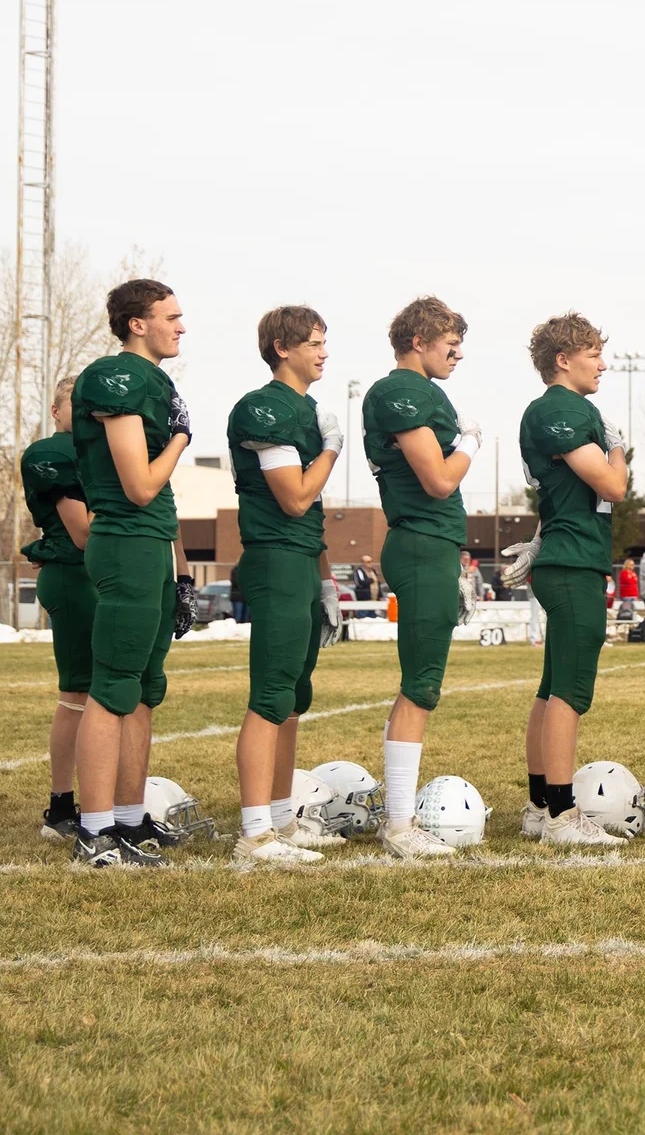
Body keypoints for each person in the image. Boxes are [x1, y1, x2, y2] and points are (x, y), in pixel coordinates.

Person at [68, 279, 195, 868]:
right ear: (136, 323)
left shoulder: (155, 380)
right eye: (170, 316)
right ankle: (92, 831)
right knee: (113, 685)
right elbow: (142, 484)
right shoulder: (114, 376)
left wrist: (183, 571)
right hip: (125, 539)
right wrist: (181, 438)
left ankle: (127, 819)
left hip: (151, 545)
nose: (181, 326)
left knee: (143, 689)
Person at [224, 306, 348, 868]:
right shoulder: (264, 407)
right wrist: (330, 450)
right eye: (314, 343)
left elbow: (311, 515)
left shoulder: (305, 407)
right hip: (273, 559)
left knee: (295, 697)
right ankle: (254, 835)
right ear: (282, 347)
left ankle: (279, 820)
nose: (323, 352)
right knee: (271, 695)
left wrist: (326, 581)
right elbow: (295, 497)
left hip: (300, 559)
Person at [361, 296, 481, 860]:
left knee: (420, 683)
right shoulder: (403, 391)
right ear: (418, 341)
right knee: (421, 685)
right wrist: (471, 445)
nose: (457, 354)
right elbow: (436, 479)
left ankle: (398, 815)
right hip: (419, 540)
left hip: (428, 543)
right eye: (448, 343)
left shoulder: (419, 392)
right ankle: (401, 824)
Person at [513, 313, 629, 849]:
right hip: (573, 559)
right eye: (592, 353)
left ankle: (540, 806)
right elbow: (612, 485)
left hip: (565, 553)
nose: (602, 363)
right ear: (563, 358)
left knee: (550, 688)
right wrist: (619, 450)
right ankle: (561, 812)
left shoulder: (565, 410)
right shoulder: (561, 407)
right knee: (570, 692)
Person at [20, 376, 95, 843]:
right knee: (78, 694)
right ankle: (61, 805)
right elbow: (84, 533)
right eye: (76, 406)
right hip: (74, 572)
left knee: (107, 695)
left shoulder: (98, 452)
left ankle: (103, 800)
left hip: (101, 574)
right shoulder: (54, 453)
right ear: (56, 410)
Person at [615, 557, 640, 624]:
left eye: (633, 564)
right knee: (626, 611)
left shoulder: (633, 573)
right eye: (631, 564)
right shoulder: (624, 573)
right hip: (626, 595)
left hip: (633, 594)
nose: (632, 566)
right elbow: (628, 581)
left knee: (633, 611)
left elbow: (635, 582)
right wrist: (631, 579)